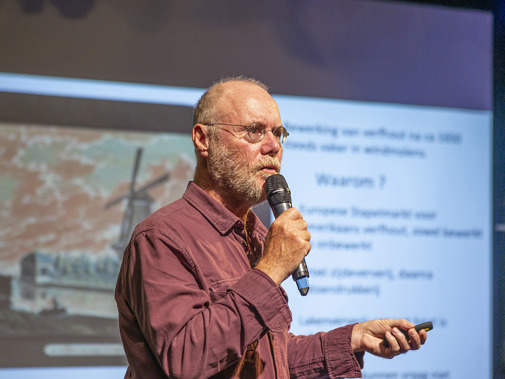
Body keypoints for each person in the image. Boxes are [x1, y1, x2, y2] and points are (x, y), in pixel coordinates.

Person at [115, 77, 428, 378]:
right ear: (202, 139)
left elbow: (266, 358)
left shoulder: (257, 235)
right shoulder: (162, 237)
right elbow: (185, 357)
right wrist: (270, 271)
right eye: (254, 131)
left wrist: (353, 339)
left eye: (279, 133)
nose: (273, 146)